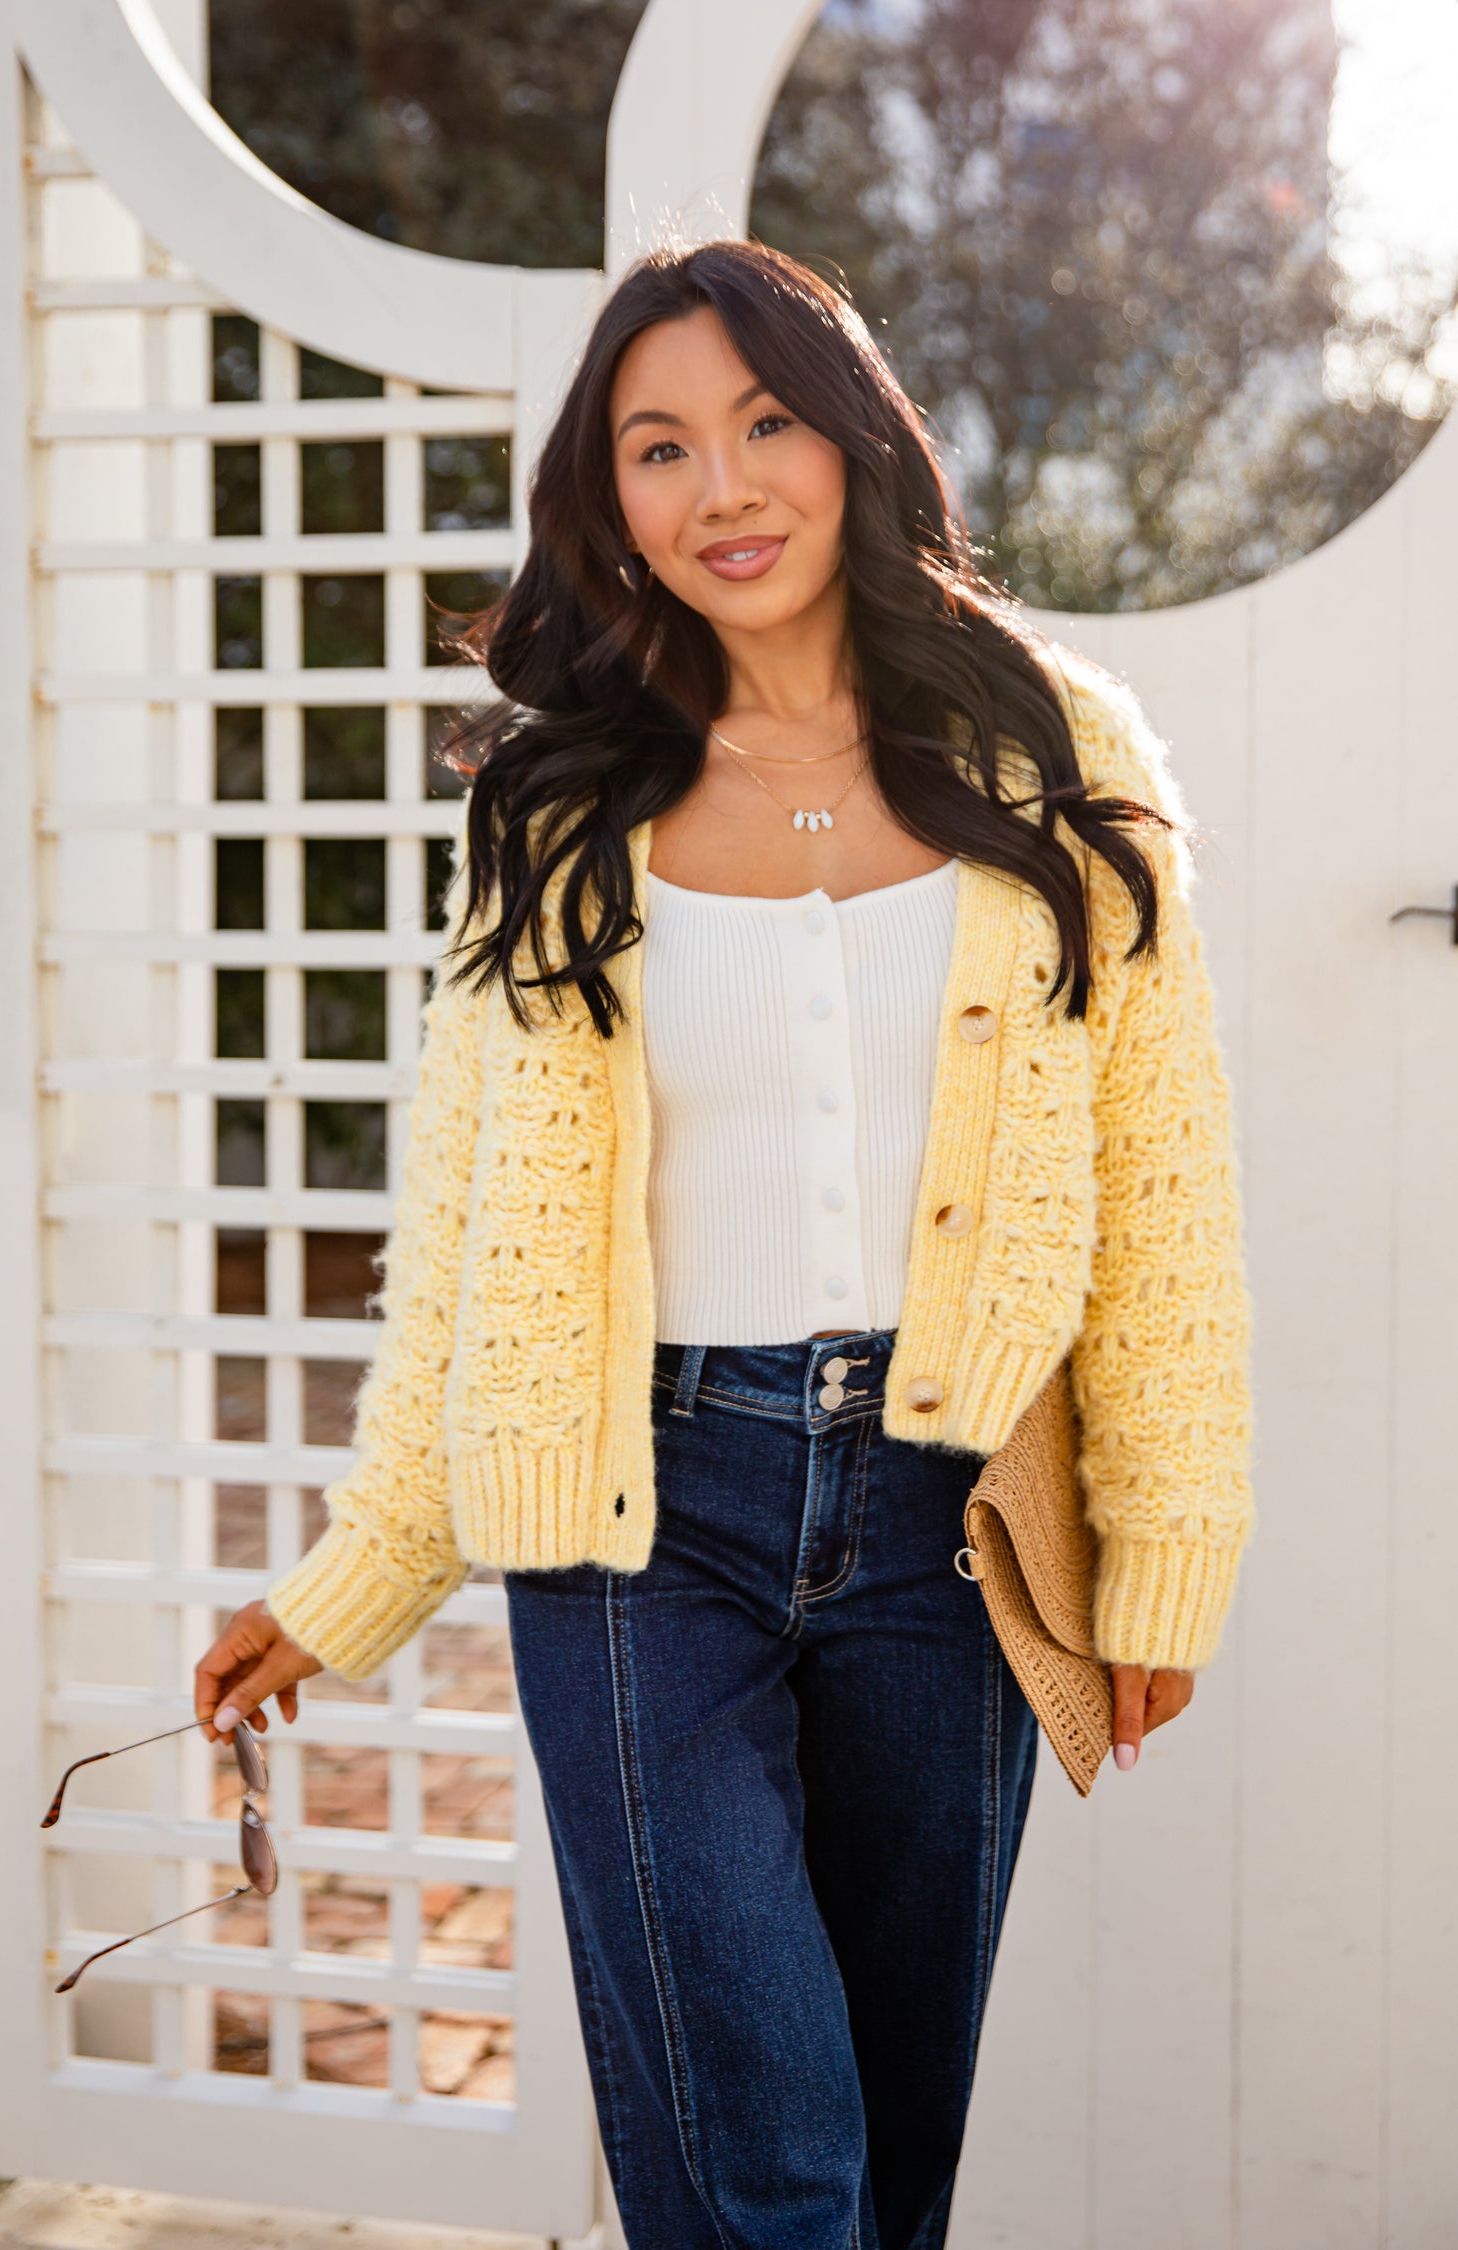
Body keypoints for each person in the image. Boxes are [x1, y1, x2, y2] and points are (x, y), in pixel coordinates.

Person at [195, 239, 1252, 2250]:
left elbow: (1165, 1188)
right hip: (632, 1521)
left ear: (855, 435)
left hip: (952, 1521)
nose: (725, 486)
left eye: (767, 421)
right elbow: (476, 1240)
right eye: (659, 446)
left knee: (888, 2157)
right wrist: (355, 1577)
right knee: (770, 2161)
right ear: (609, 502)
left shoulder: (1062, 748)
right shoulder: (556, 808)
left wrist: (1167, 1540)